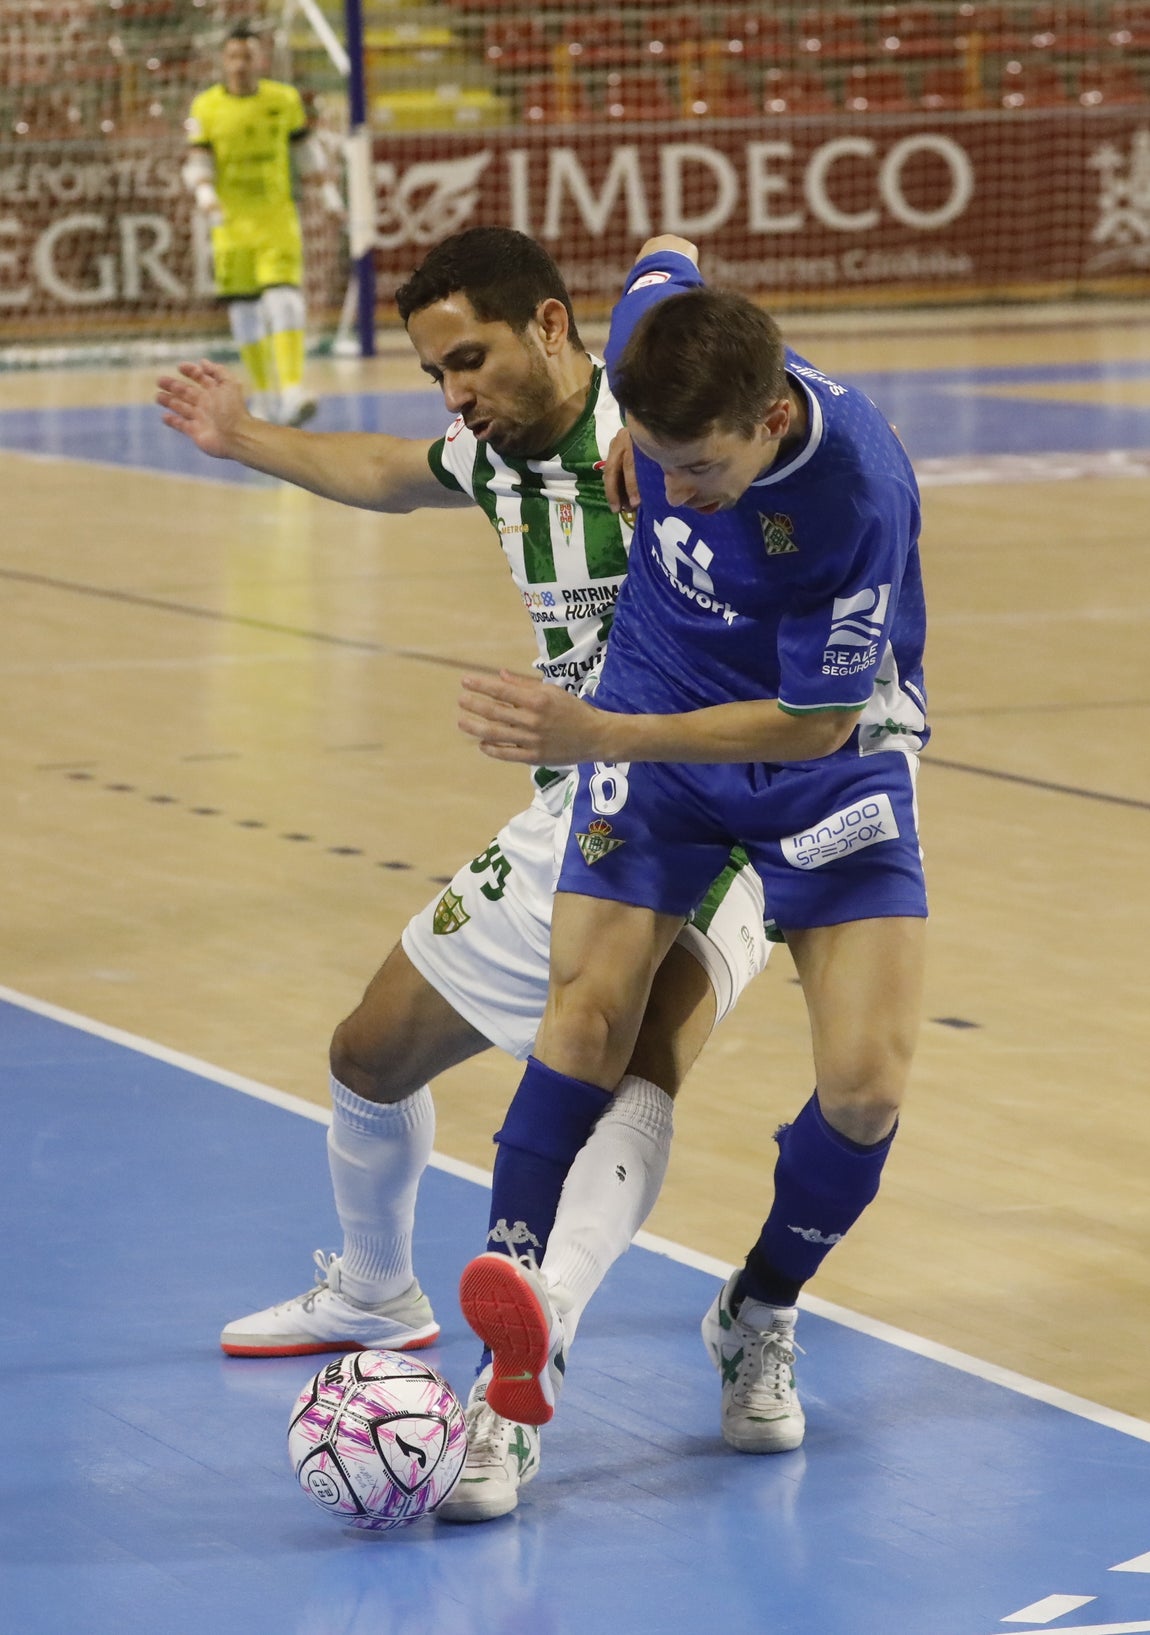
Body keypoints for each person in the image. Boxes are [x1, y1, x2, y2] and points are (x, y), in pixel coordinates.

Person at [156, 227, 773, 1521]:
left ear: (550, 325)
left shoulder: (658, 430)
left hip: (725, 796)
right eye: (437, 370)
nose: (455, 393)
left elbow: (699, 309)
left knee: (627, 1061)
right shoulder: (487, 455)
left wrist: (665, 292)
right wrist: (244, 436)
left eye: (471, 360)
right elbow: (386, 470)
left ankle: (519, 1381)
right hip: (575, 803)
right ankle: (376, 1289)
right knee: (368, 1052)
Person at [457, 232, 928, 1461]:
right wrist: (643, 435)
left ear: (770, 420)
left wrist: (600, 731)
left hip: (817, 755)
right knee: (585, 1019)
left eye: (701, 466)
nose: (677, 487)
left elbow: (813, 719)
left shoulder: (854, 496)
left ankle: (757, 1308)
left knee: (866, 1091)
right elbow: (664, 254)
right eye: (657, 459)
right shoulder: (662, 350)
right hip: (662, 692)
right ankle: (511, 1366)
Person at [183, 24, 341, 428]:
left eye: (248, 56)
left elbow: (305, 150)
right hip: (231, 226)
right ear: (223, 61)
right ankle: (265, 395)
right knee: (246, 311)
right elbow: (198, 160)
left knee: (285, 301)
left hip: (277, 219)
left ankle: (292, 390)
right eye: (233, 56)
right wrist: (205, 194)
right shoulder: (206, 106)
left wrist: (328, 195)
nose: (240, 65)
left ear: (261, 59)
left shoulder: (283, 100)